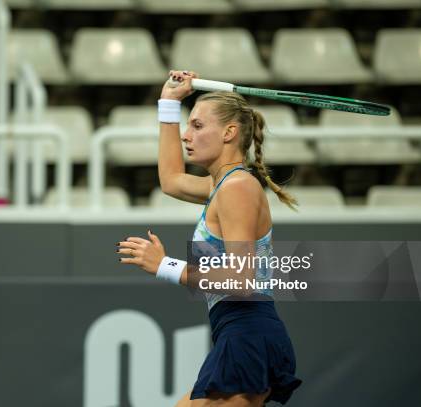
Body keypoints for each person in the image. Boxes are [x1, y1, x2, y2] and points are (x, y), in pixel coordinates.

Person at [116, 70, 302, 406]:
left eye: (197, 126)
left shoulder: (237, 189)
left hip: (247, 333)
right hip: (239, 333)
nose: (186, 136)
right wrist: (169, 104)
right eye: (188, 125)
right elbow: (171, 180)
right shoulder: (222, 186)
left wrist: (166, 265)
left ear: (229, 133)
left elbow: (240, 278)